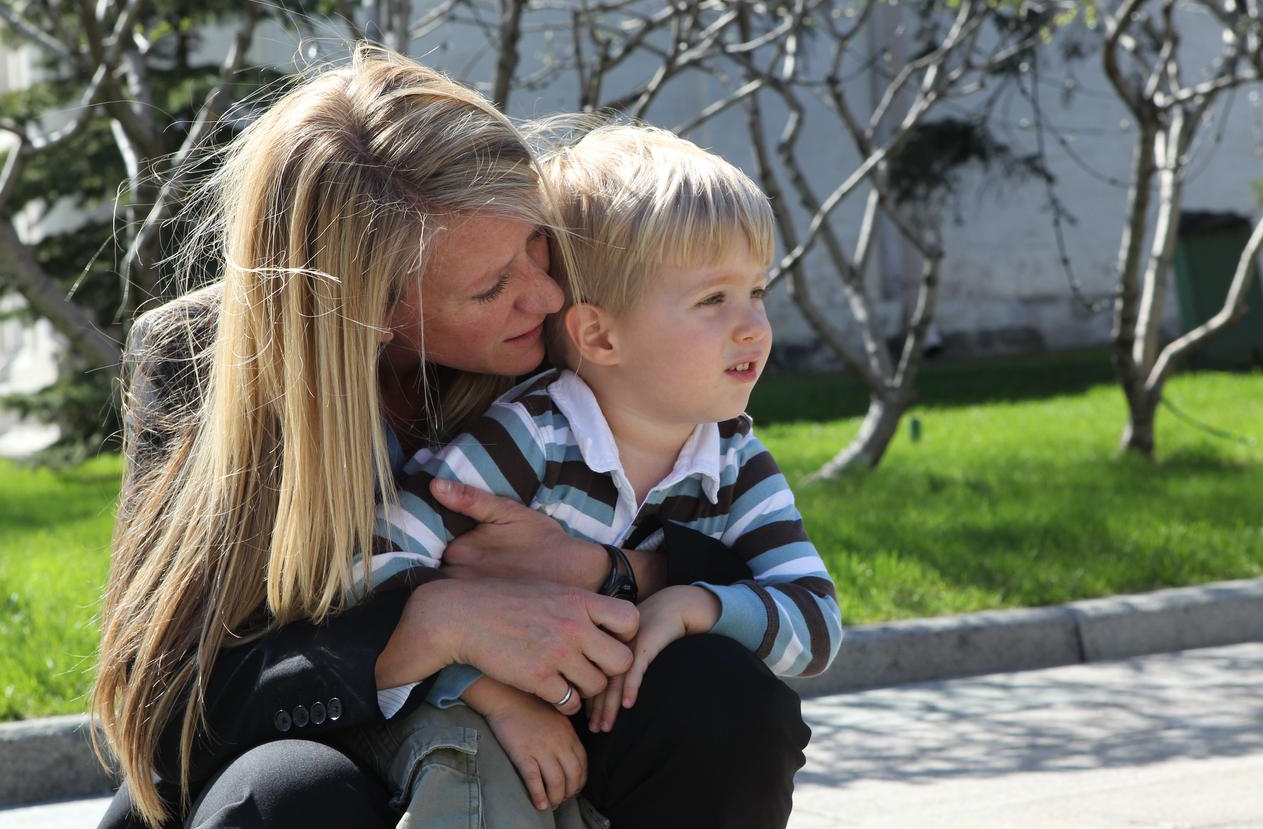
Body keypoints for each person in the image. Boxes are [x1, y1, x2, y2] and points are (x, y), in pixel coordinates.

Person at [93, 46, 810, 829]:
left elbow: (756, 545)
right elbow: (165, 705)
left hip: (557, 723)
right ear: (367, 309)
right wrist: (431, 624)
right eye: (490, 287)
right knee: (290, 794)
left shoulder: (573, 318)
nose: (543, 294)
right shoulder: (199, 355)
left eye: (536, 245)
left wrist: (610, 570)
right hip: (324, 741)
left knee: (721, 694)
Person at [349, 124, 843, 825]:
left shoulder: (735, 460)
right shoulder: (527, 439)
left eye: (757, 291)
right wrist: (490, 690)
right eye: (713, 301)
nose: (754, 326)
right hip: (499, 730)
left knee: (733, 699)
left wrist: (692, 603)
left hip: (642, 749)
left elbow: (816, 625)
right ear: (599, 335)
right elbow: (370, 572)